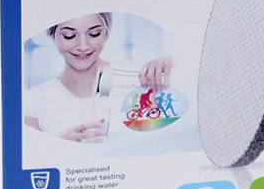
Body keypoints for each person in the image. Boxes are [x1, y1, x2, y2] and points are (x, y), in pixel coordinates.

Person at [24, 13, 172, 143]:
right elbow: (31, 156)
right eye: (69, 36)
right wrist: (58, 146)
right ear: (53, 35)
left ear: (106, 32)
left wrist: (173, 62)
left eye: (94, 34)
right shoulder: (35, 101)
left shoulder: (142, 76)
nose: (83, 46)